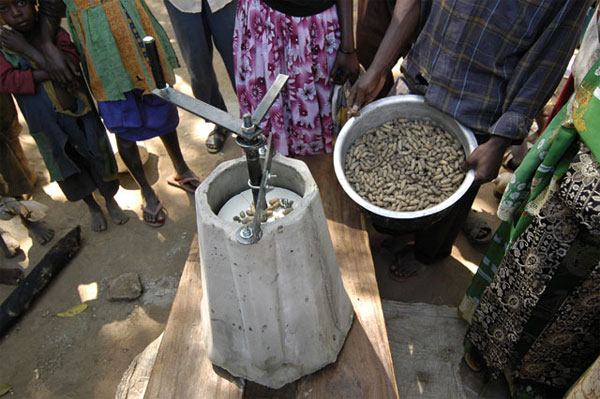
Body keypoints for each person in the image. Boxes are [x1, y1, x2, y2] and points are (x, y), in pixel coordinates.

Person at [348, 0, 591, 280]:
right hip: (421, 77)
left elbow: (548, 59)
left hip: (480, 107)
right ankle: (401, 233)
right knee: (392, 175)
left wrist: (501, 140)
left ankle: (427, 253)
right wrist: (379, 68)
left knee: (452, 202)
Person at [459, 8, 600, 396]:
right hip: (581, 164)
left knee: (581, 312)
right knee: (532, 265)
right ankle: (488, 352)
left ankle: (532, 382)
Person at [43, 0, 201, 227]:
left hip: (137, 34)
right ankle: (146, 190)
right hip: (102, 58)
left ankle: (181, 169)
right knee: (123, 126)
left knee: (161, 105)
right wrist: (49, 49)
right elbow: (49, 12)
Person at [0, 0, 129, 232]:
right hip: (47, 126)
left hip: (81, 117)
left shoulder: (53, 33)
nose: (16, 13)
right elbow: (8, 81)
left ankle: (110, 199)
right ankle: (92, 206)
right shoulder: (5, 48)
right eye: (4, 9)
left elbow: (70, 65)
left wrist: (30, 52)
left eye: (21, 3)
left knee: (98, 155)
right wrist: (49, 68)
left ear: (34, 3)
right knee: (67, 165)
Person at [233, 0, 359, 156]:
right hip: (265, 25)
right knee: (267, 120)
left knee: (319, 126)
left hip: (316, 29)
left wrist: (348, 49)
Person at [163, 0, 237, 153]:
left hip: (223, 3)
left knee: (239, 58)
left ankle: (258, 121)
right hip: (181, 4)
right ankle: (219, 122)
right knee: (198, 67)